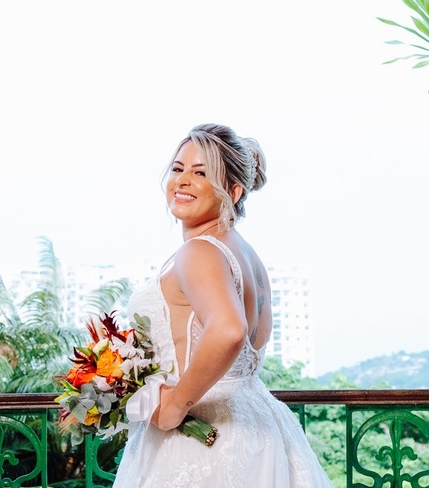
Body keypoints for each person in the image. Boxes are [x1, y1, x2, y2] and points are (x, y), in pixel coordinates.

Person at [112, 123, 333, 487]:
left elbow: (230, 331)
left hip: (202, 440)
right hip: (258, 427)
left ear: (233, 190)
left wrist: (174, 405)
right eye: (178, 169)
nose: (182, 181)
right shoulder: (246, 254)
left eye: (200, 173)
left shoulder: (199, 251)